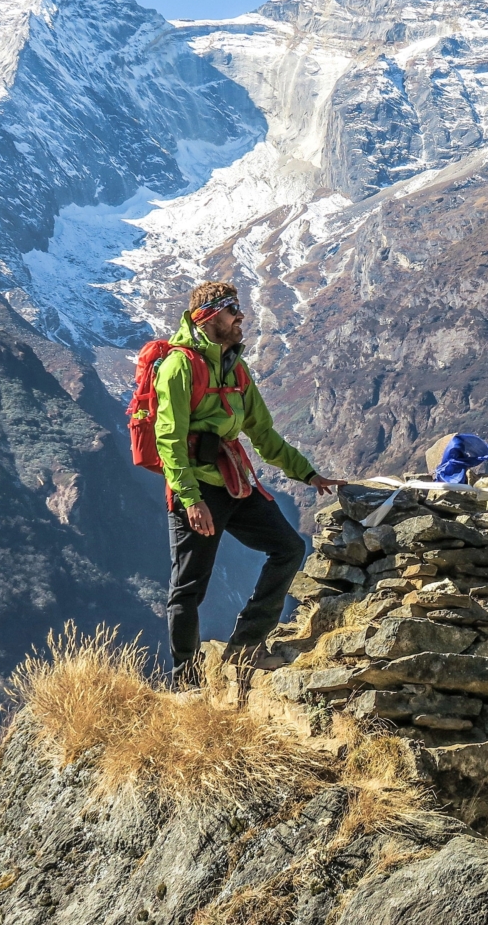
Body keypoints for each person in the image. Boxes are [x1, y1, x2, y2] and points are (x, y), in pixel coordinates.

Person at [154, 281, 342, 681]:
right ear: (207, 318)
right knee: (189, 588)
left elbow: (264, 434)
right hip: (199, 489)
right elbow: (169, 438)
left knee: (289, 547)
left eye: (238, 310)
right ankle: (185, 679)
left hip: (233, 483)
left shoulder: (236, 368)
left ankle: (245, 645)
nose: (240, 318)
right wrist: (190, 500)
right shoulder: (179, 366)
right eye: (230, 311)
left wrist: (307, 473)